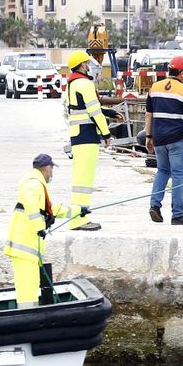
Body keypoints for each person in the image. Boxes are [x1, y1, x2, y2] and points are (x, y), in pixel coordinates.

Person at [145, 55, 183, 225]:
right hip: (177, 140)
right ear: (182, 73)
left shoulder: (155, 87)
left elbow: (148, 114)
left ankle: (155, 205)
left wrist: (149, 136)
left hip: (159, 139)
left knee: (162, 171)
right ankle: (177, 214)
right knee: (178, 175)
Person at [63, 50, 110, 231]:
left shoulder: (71, 84)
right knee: (84, 182)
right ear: (82, 65)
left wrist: (110, 113)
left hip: (77, 136)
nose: (89, 67)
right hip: (87, 136)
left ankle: (79, 218)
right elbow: (94, 111)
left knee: (79, 181)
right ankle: (79, 220)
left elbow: (81, 108)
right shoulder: (85, 83)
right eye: (87, 64)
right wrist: (106, 134)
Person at [6, 154, 57, 309]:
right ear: (47, 168)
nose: (52, 173)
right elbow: (31, 206)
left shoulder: (37, 185)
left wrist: (77, 210)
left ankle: (31, 316)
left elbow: (49, 209)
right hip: (25, 248)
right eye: (52, 169)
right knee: (27, 291)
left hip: (29, 249)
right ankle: (27, 320)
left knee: (31, 288)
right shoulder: (34, 185)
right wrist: (40, 228)